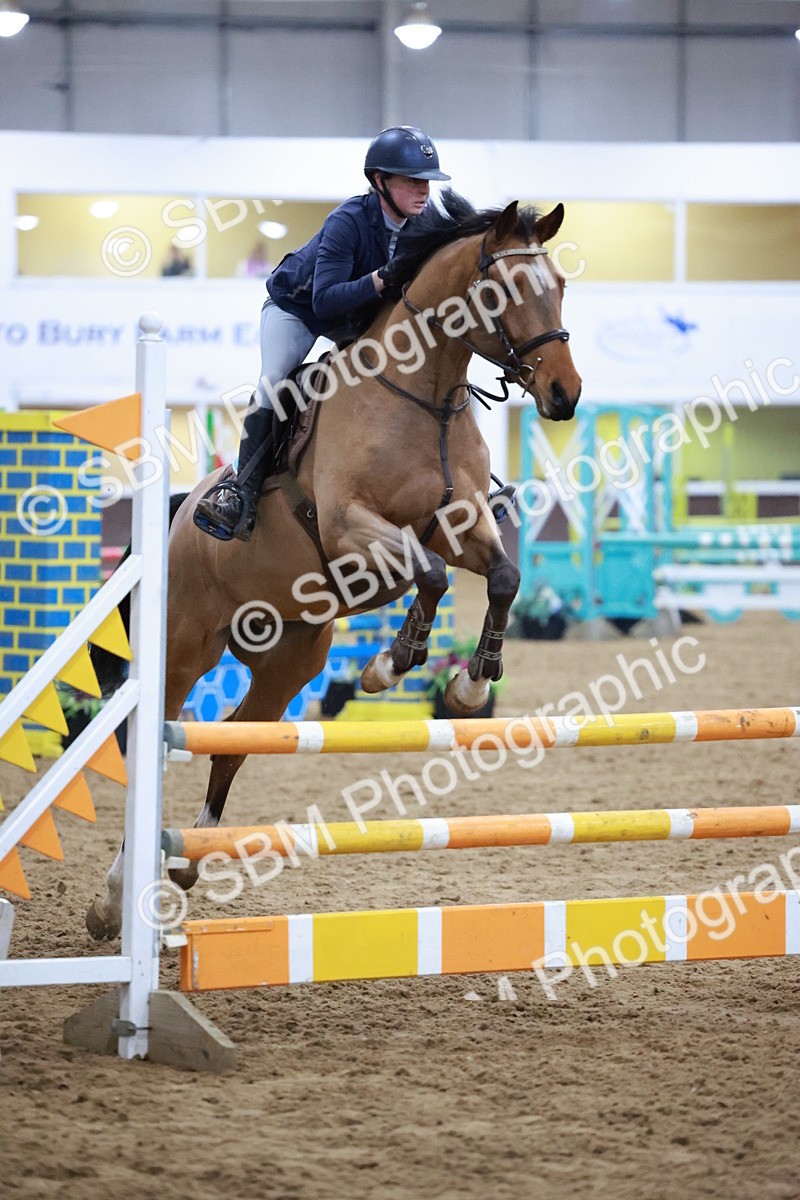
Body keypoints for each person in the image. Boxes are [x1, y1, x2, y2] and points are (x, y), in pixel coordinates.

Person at [194, 125, 450, 542]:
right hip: (299, 307)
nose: (423, 191)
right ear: (379, 181)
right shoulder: (347, 221)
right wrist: (383, 278)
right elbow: (325, 301)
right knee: (276, 381)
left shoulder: (426, 224)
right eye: (412, 181)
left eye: (427, 182)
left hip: (357, 316)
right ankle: (239, 492)